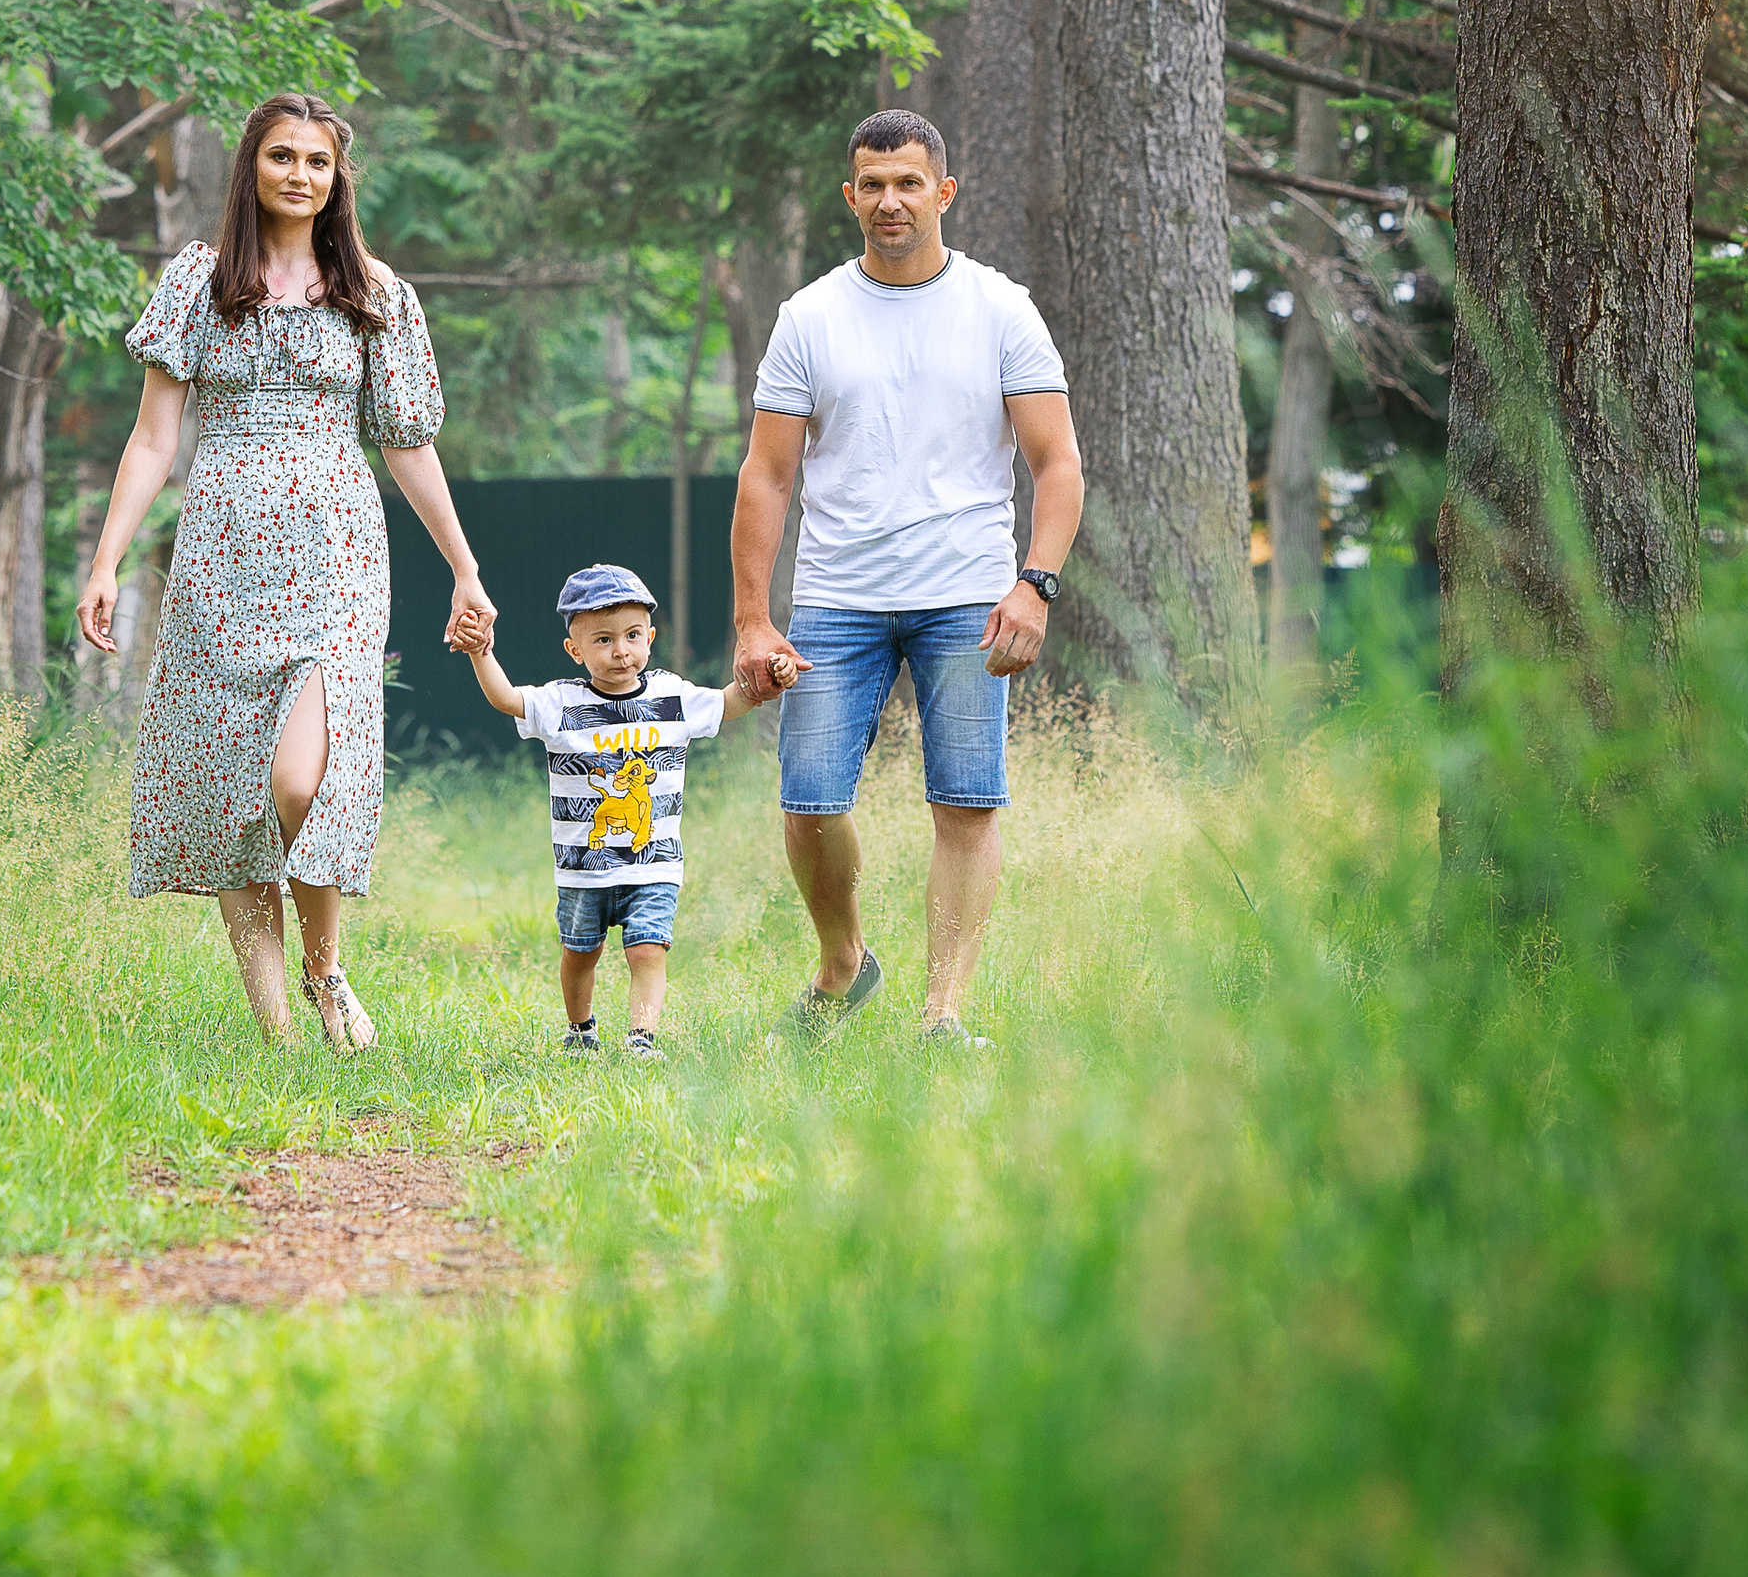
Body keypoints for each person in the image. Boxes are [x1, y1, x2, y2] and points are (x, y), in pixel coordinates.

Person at [77, 92, 495, 1050]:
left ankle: (325, 966)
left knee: (303, 780)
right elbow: (151, 440)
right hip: (222, 553)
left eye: (317, 160)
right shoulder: (198, 282)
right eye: (281, 156)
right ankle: (275, 1034)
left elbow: (410, 445)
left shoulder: (374, 293)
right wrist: (105, 563)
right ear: (251, 168)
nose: (299, 174)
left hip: (338, 558)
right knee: (234, 783)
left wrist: (465, 570)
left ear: (337, 176)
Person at [730, 109, 1085, 1041]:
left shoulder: (1001, 309)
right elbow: (767, 475)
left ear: (944, 192)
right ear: (851, 197)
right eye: (873, 185)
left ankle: (943, 1014)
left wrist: (1034, 583)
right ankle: (843, 963)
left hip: (968, 594)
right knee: (808, 800)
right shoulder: (809, 316)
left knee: (965, 801)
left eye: (909, 183)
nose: (891, 201)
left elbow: (1057, 465)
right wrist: (753, 621)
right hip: (837, 598)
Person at [459, 565, 786, 1057]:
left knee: (648, 948)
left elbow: (729, 702)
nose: (620, 650)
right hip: (583, 870)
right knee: (580, 953)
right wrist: (480, 652)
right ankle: (580, 1030)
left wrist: (766, 680)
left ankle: (641, 1039)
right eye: (604, 640)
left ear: (650, 638)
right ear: (576, 650)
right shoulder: (561, 703)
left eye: (633, 636)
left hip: (653, 862)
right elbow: (506, 699)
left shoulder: (670, 698)